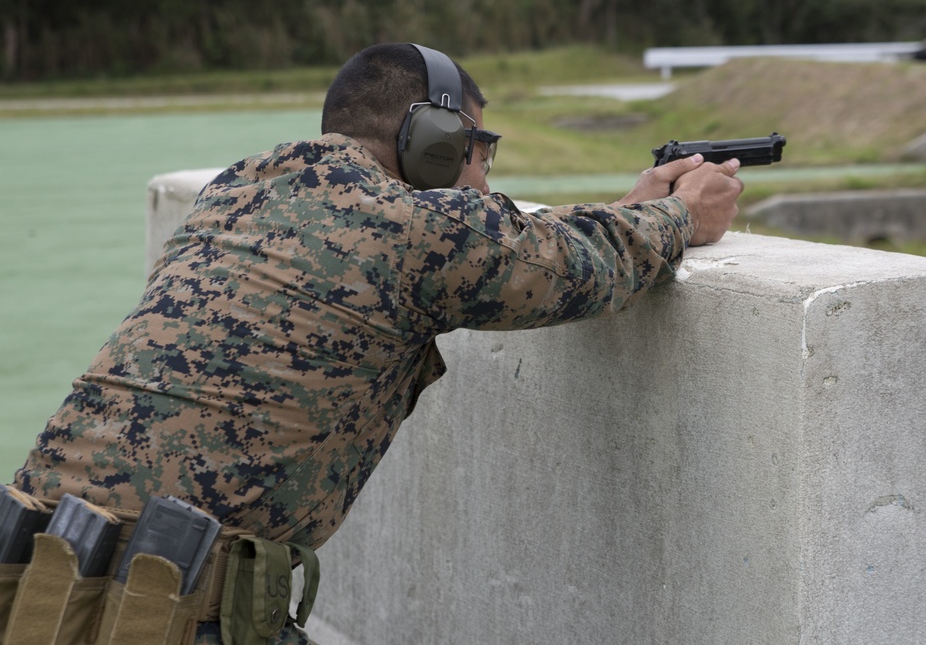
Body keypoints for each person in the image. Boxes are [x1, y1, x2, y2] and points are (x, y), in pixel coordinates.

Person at [11, 42, 742, 644]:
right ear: (432, 143)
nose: (486, 182)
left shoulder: (236, 190)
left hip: (31, 585)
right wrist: (681, 214)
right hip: (163, 614)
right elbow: (569, 270)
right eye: (479, 152)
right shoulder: (413, 227)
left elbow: (514, 246)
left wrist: (629, 209)